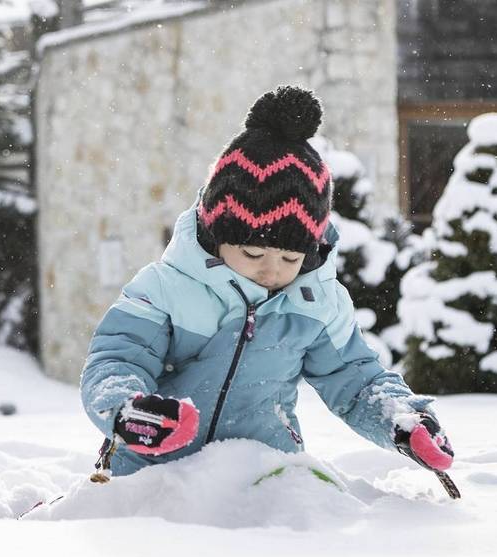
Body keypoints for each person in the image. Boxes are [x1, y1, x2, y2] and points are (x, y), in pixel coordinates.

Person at [79, 86, 456, 482]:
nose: (271, 270)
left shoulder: (318, 303)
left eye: (290, 258)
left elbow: (356, 380)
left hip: (261, 474)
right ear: (215, 232)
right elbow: (116, 360)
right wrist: (130, 410)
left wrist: (404, 423)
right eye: (254, 254)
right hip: (151, 475)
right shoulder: (164, 288)